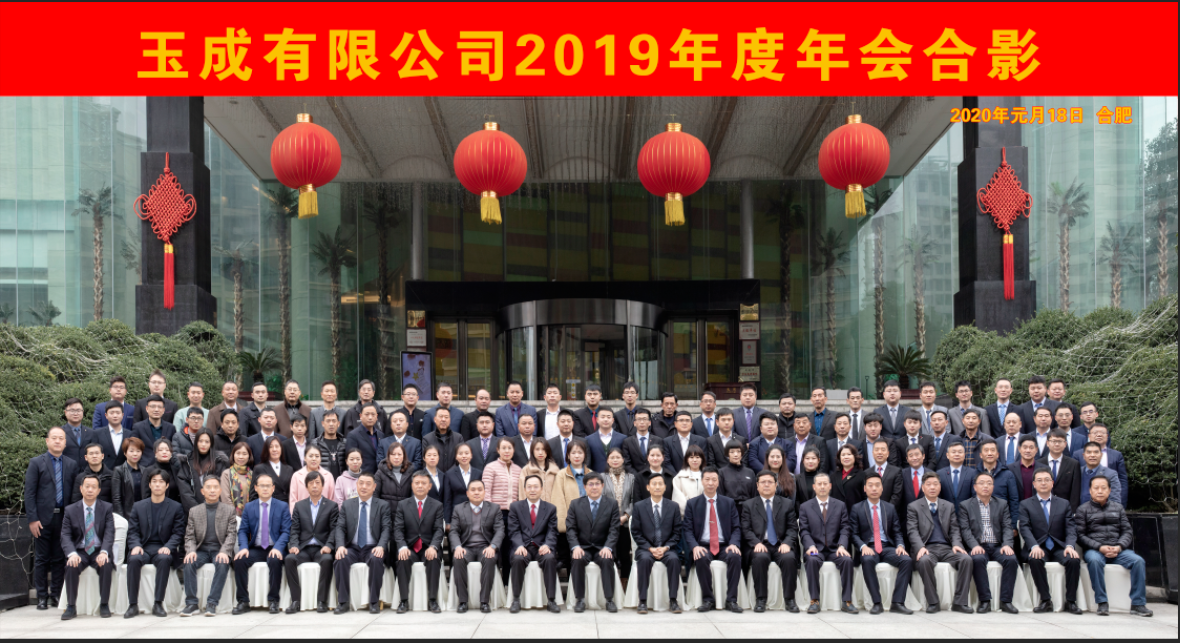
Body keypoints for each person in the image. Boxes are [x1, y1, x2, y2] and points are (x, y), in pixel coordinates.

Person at [1074, 475, 1153, 617]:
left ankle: (1138, 604)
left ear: (1109, 490)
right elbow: (1080, 536)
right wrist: (1100, 547)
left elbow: (1127, 531)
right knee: (1094, 561)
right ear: (1090, 491)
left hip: (1118, 550)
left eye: (1103, 488)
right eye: (1096, 488)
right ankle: (1102, 602)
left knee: (1138, 561)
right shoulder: (1082, 510)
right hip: (1095, 550)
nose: (1100, 491)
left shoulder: (1118, 508)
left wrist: (1119, 547)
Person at [906, 472, 973, 614]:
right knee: (924, 561)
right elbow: (912, 531)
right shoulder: (914, 507)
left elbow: (954, 529)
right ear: (923, 488)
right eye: (928, 484)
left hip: (947, 548)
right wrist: (920, 547)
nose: (932, 487)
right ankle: (933, 602)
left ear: (940, 487)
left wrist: (956, 544)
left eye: (935, 484)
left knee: (966, 559)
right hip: (927, 548)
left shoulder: (948, 506)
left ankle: (960, 602)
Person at [1020, 467, 1083, 614]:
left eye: (1047, 480)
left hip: (1059, 547)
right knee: (1034, 559)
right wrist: (1034, 546)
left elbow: (1070, 528)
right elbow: (1025, 528)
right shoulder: (1026, 504)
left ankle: (1071, 601)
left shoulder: (1063, 503)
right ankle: (1046, 600)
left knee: (1073, 560)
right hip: (1039, 546)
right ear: (1034, 484)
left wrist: (1070, 545)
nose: (1043, 483)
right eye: (1039, 480)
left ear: (1052, 483)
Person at [848, 472, 913, 615]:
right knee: (867, 560)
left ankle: (897, 602)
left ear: (882, 488)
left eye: (877, 485)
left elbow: (897, 532)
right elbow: (853, 534)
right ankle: (877, 603)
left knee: (906, 560)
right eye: (870, 485)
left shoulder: (889, 508)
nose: (874, 488)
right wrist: (863, 546)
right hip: (869, 547)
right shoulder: (857, 508)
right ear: (865, 488)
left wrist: (900, 546)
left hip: (887, 547)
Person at [124, 469, 184, 618]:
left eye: (161, 482)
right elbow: (132, 531)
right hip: (143, 548)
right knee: (133, 559)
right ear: (149, 485)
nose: (157, 485)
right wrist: (136, 545)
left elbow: (178, 533)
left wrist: (168, 547)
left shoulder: (176, 507)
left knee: (164, 559)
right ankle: (133, 605)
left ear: (167, 485)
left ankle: (158, 603)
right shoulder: (138, 506)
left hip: (163, 548)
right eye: (154, 482)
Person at [957, 472, 1019, 614]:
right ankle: (985, 601)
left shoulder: (1002, 504)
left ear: (993, 487)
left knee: (1011, 559)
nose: (986, 486)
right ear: (975, 487)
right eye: (982, 483)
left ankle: (1006, 601)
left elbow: (1007, 527)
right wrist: (974, 545)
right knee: (977, 559)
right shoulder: (965, 505)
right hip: (979, 545)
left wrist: (1007, 544)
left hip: (997, 546)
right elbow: (965, 530)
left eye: (989, 483)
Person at [683, 467, 743, 613]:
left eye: (714, 480)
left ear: (718, 482)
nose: (710, 483)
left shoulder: (729, 503)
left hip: (724, 545)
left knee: (735, 556)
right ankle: (708, 599)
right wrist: (695, 546)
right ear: (702, 481)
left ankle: (731, 600)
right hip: (703, 545)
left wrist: (733, 543)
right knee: (701, 557)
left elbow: (736, 527)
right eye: (707, 479)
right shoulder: (692, 504)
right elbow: (687, 530)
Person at [231, 472, 290, 615]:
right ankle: (243, 601)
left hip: (274, 547)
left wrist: (278, 548)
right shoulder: (249, 507)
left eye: (268, 486)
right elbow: (243, 531)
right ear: (256, 488)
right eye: (262, 486)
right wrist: (244, 547)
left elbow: (286, 531)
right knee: (239, 560)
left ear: (273, 488)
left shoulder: (282, 506)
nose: (265, 488)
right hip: (256, 548)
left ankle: (274, 600)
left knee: (275, 560)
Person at [332, 472, 391, 614]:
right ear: (356, 485)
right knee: (340, 559)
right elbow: (340, 527)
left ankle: (374, 602)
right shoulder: (347, 505)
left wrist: (381, 546)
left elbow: (386, 528)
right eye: (361, 483)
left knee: (376, 559)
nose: (364, 486)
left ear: (374, 487)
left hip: (373, 547)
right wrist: (340, 546)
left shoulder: (382, 505)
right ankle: (343, 602)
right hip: (353, 547)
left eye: (368, 484)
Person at [59, 473, 116, 620]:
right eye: (87, 486)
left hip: (98, 550)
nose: (90, 490)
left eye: (93, 487)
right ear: (81, 489)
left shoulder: (107, 508)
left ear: (99, 490)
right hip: (80, 551)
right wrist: (72, 554)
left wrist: (104, 552)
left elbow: (109, 533)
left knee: (106, 564)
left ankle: (104, 604)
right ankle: (71, 606)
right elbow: (65, 535)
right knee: (71, 565)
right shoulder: (71, 510)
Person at [798, 472, 856, 614]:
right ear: (814, 487)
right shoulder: (805, 507)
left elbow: (845, 528)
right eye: (819, 484)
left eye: (825, 484)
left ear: (830, 486)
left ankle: (847, 601)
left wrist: (842, 545)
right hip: (815, 549)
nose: (822, 486)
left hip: (835, 549)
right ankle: (814, 600)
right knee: (812, 560)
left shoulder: (840, 505)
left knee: (847, 560)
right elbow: (804, 531)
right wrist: (810, 546)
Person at [742, 471, 800, 613]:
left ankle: (790, 600)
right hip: (760, 544)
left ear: (776, 485)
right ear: (757, 486)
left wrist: (787, 543)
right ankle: (761, 599)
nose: (766, 485)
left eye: (770, 482)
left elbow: (793, 528)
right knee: (760, 558)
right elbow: (746, 529)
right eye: (763, 482)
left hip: (781, 544)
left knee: (789, 558)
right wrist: (756, 543)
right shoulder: (749, 505)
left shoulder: (786, 504)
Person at [283, 470, 338, 614]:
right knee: (289, 559)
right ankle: (295, 601)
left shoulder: (331, 506)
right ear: (306, 486)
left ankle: (322, 601)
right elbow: (294, 529)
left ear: (323, 486)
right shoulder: (299, 506)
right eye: (311, 483)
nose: (314, 486)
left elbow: (334, 530)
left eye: (317, 483)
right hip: (304, 548)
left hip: (321, 548)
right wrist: (294, 545)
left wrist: (329, 545)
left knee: (327, 560)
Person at [180, 477, 235, 617]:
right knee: (189, 562)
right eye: (208, 487)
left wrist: (224, 551)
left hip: (219, 549)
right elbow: (189, 536)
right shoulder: (194, 511)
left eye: (215, 487)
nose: (212, 490)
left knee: (222, 563)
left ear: (220, 490)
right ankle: (192, 603)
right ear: (202, 491)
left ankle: (212, 603)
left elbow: (231, 535)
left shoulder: (229, 510)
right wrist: (191, 551)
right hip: (202, 550)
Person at [566, 472, 620, 612]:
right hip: (583, 547)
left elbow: (614, 530)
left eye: (597, 484)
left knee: (607, 560)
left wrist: (608, 547)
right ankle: (580, 600)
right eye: (590, 484)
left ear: (602, 486)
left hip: (602, 547)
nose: (594, 487)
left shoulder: (612, 504)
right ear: (584, 487)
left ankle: (609, 600)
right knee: (577, 560)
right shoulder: (575, 504)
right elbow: (570, 529)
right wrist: (575, 547)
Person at [392, 470, 445, 613]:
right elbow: (398, 529)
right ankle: (403, 601)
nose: (420, 486)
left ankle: (432, 600)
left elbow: (439, 530)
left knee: (433, 558)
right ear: (412, 485)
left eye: (423, 483)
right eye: (417, 483)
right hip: (410, 547)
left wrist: (434, 546)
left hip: (428, 546)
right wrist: (402, 547)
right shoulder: (403, 505)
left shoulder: (437, 505)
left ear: (429, 486)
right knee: (403, 558)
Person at [449, 479, 504, 613]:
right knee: (458, 559)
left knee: (489, 558)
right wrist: (457, 547)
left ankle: (484, 602)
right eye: (473, 490)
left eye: (480, 489)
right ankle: (463, 601)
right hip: (466, 547)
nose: (476, 492)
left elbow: (500, 530)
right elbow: (454, 531)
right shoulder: (459, 509)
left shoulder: (494, 508)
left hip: (485, 547)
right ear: (467, 493)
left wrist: (492, 546)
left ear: (484, 492)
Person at [507, 475, 561, 613]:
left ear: (541, 489)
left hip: (541, 547)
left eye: (536, 486)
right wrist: (519, 545)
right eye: (529, 487)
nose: (532, 490)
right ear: (524, 489)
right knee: (518, 559)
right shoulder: (515, 507)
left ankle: (551, 600)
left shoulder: (550, 508)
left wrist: (547, 545)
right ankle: (516, 600)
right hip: (523, 546)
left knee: (550, 558)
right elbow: (513, 530)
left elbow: (552, 531)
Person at [630, 474, 683, 614]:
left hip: (667, 548)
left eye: (660, 484)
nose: (657, 487)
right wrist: (650, 548)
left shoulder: (673, 506)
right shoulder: (639, 506)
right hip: (646, 548)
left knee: (674, 559)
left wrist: (665, 547)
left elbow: (677, 532)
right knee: (645, 559)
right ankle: (642, 601)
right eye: (654, 484)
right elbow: (636, 532)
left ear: (665, 487)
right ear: (648, 487)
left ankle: (673, 600)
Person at [483, 437, 522, 582]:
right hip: (497, 513)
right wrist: (490, 513)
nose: (507, 451)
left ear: (514, 450)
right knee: (496, 547)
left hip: (514, 514)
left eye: (509, 448)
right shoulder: (491, 467)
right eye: (503, 448)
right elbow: (486, 492)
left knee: (509, 548)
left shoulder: (518, 469)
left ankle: (507, 582)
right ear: (498, 450)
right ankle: (495, 584)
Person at [552, 439, 591, 571]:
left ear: (585, 455)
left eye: (580, 452)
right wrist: (564, 523)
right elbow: (558, 500)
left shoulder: (591, 474)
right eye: (573, 453)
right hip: (569, 523)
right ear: (568, 455)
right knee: (570, 558)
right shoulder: (561, 475)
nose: (576, 455)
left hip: (588, 524)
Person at [601, 448, 634, 581]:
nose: (615, 460)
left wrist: (626, 516)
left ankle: (625, 584)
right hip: (607, 524)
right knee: (610, 554)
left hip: (626, 523)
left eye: (618, 457)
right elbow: (600, 499)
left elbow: (634, 500)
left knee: (625, 555)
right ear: (607, 460)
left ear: (623, 459)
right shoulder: (601, 477)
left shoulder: (631, 478)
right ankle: (612, 585)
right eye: (612, 457)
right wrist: (613, 518)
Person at [1076, 424, 1128, 506]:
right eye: (1095, 432)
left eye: (1102, 432)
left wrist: (1121, 504)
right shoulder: (1077, 454)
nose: (1099, 435)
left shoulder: (1116, 455)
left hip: (1106, 505)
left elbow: (1122, 480)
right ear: (1089, 436)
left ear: (1107, 436)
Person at [176, 430, 229, 508]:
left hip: (215, 508)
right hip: (192, 510)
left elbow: (222, 488)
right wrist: (197, 510)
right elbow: (185, 492)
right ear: (196, 443)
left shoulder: (218, 462)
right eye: (200, 441)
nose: (203, 444)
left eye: (207, 442)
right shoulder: (187, 462)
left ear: (211, 444)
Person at [977, 441, 1021, 534]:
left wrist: (1013, 525)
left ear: (997, 454)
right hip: (979, 524)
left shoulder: (1007, 474)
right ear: (981, 455)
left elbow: (1014, 500)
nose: (989, 453)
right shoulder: (974, 474)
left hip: (1002, 523)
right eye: (986, 450)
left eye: (992, 450)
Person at [1040, 429, 1082, 510]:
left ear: (1065, 444)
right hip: (1043, 507)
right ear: (1047, 443)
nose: (1057, 444)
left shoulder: (1073, 464)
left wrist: (1072, 511)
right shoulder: (1039, 463)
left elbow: (1075, 491)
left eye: (1060, 441)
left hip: (1065, 508)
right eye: (1053, 441)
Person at [442, 442, 481, 528]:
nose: (464, 456)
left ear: (471, 455)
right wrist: (447, 521)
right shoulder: (449, 474)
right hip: (456, 515)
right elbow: (447, 499)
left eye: (466, 453)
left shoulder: (478, 473)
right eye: (460, 453)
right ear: (456, 456)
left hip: (475, 514)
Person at [132, 395, 176, 469]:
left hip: (166, 468)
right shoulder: (138, 427)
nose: (156, 409)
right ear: (147, 409)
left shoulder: (171, 428)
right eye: (153, 406)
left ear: (163, 410)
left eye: (159, 407)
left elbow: (173, 449)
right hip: (144, 468)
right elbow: (134, 449)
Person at [343, 403, 385, 474]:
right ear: (360, 416)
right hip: (362, 477)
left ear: (377, 417)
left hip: (379, 476)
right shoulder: (353, 435)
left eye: (373, 414)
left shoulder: (381, 435)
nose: (370, 417)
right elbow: (351, 460)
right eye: (367, 414)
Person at [937, 443, 978, 516]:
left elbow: (975, 496)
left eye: (960, 452)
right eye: (953, 452)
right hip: (945, 514)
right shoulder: (940, 474)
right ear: (947, 455)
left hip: (967, 514)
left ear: (964, 455)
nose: (957, 454)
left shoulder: (972, 473)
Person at [111, 437, 147, 518]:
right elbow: (116, 498)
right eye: (131, 451)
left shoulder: (145, 470)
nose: (135, 454)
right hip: (127, 515)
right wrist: (121, 518)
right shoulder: (119, 471)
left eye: (138, 451)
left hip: (143, 513)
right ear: (125, 452)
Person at [865, 439, 902, 516]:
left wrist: (886, 511)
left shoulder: (896, 472)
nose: (880, 452)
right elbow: (865, 494)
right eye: (877, 449)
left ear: (888, 453)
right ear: (872, 453)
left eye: (883, 449)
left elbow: (896, 495)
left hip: (890, 514)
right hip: (871, 513)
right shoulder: (866, 473)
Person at [375, 443, 414, 515]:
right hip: (385, 515)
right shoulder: (380, 472)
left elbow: (413, 498)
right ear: (388, 456)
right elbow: (375, 495)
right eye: (393, 454)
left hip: (404, 515)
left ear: (404, 456)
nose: (396, 457)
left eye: (399, 454)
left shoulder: (411, 473)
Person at [253, 436, 294, 504]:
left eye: (277, 446)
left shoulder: (289, 469)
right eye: (271, 447)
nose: (274, 449)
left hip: (286, 507)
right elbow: (253, 495)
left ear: (281, 448)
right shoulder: (259, 468)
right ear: (266, 450)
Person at [421, 407, 463, 472]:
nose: (443, 419)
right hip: (434, 475)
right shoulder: (427, 439)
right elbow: (425, 462)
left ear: (450, 420)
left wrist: (450, 474)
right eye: (440, 416)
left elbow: (460, 459)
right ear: (435, 419)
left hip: (454, 475)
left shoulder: (458, 438)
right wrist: (439, 475)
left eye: (446, 417)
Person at [587, 407, 627, 473]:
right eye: (602, 417)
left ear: (613, 420)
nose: (605, 419)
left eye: (608, 417)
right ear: (597, 419)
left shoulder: (622, 438)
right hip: (596, 476)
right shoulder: (588, 439)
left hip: (617, 476)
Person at [312, 408, 348, 480]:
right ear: (323, 423)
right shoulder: (315, 443)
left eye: (334, 421)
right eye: (328, 421)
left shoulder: (345, 443)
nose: (331, 424)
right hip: (323, 483)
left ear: (338, 424)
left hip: (341, 484)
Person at [91, 401, 129, 468]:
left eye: (118, 413)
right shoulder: (97, 434)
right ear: (106, 415)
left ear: (122, 415)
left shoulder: (130, 434)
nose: (115, 416)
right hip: (104, 472)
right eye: (111, 413)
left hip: (124, 472)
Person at [219, 442, 254, 516]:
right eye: (238, 453)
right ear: (233, 455)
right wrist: (235, 517)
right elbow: (225, 498)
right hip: (231, 517)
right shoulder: (226, 474)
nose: (241, 457)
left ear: (249, 456)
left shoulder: (252, 474)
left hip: (250, 516)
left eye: (244, 454)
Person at [719, 442, 757, 507]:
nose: (736, 455)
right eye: (732, 452)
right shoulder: (722, 472)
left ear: (742, 454)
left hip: (748, 507)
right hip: (729, 507)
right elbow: (720, 494)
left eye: (738, 451)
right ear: (727, 454)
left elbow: (754, 494)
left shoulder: (750, 472)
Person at [59, 398, 93, 470]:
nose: (75, 413)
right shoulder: (59, 432)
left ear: (82, 412)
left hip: (87, 473)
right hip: (66, 472)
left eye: (78, 410)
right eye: (72, 411)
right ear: (65, 412)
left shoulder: (91, 432)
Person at [621, 408, 657, 473]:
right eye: (639, 419)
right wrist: (637, 476)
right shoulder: (627, 442)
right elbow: (627, 463)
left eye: (644, 419)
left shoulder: (658, 441)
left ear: (649, 423)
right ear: (634, 423)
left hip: (653, 475)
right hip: (634, 476)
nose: (642, 422)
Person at [673, 445, 707, 514]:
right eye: (691, 457)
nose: (694, 460)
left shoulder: (707, 476)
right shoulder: (679, 477)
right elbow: (678, 499)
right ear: (687, 459)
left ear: (702, 459)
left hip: (705, 514)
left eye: (697, 457)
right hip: (686, 516)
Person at [1008, 435, 1041, 503]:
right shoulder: (1010, 469)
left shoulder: (1043, 469)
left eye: (1031, 448)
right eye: (1025, 447)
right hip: (1017, 506)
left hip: (1037, 506)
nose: (1028, 450)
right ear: (1019, 449)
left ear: (1036, 450)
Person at [900, 444, 929, 516]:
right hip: (907, 516)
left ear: (923, 456)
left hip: (927, 516)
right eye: (911, 456)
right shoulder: (901, 474)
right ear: (907, 459)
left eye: (917, 454)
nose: (914, 458)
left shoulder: (931, 474)